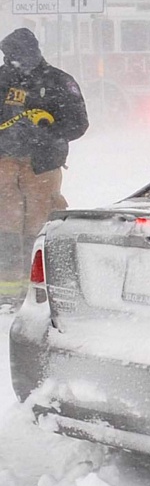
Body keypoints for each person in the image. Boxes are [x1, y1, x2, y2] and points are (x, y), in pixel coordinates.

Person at [0, 27, 88, 305]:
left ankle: (43, 289)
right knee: (6, 227)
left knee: (41, 223)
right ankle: (7, 291)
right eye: (7, 56)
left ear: (33, 52)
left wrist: (45, 131)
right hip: (4, 165)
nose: (11, 62)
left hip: (43, 167)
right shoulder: (2, 80)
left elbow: (79, 124)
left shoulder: (58, 82)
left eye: (15, 56)